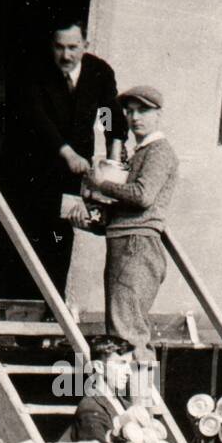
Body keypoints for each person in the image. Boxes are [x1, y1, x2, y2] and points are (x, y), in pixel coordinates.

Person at [0, 19, 128, 299]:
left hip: (68, 178)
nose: (66, 55)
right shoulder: (34, 70)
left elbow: (111, 115)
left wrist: (113, 160)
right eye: (60, 47)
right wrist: (68, 153)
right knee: (20, 237)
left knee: (58, 238)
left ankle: (49, 317)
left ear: (85, 46)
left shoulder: (99, 72)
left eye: (73, 48)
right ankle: (10, 312)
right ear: (51, 47)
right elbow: (37, 118)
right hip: (29, 170)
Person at [83, 85, 177, 365]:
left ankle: (140, 405)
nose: (135, 117)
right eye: (130, 111)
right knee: (122, 330)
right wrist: (91, 218)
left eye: (143, 110)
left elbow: (142, 195)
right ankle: (131, 404)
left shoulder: (158, 151)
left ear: (158, 114)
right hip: (126, 241)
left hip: (137, 244)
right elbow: (127, 208)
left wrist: (103, 184)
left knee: (128, 332)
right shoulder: (141, 152)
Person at [59, 335, 131, 443]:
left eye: (129, 364)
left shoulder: (126, 405)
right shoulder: (90, 409)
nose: (129, 372)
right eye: (121, 363)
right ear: (99, 367)